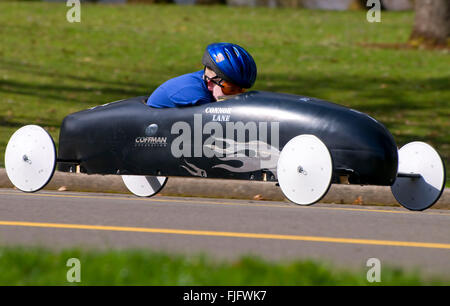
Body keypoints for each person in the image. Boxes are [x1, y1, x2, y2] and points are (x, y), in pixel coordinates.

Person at [146, 42, 257, 108]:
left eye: (241, 90)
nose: (237, 96)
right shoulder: (193, 95)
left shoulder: (209, 82)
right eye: (231, 89)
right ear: (210, 83)